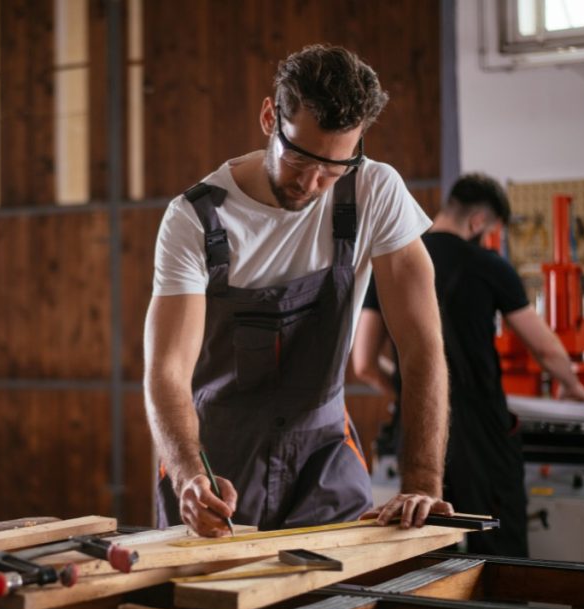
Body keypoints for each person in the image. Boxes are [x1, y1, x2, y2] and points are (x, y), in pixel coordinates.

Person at [143, 44, 453, 538]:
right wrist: (188, 474)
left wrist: (422, 482)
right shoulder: (196, 219)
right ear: (270, 117)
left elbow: (421, 347)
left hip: (323, 458)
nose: (311, 183)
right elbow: (166, 372)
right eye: (300, 158)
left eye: (334, 168)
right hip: (217, 463)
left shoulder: (375, 191)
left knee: (342, 603)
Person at [353, 173, 584, 556]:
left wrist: (410, 395)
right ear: (478, 223)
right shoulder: (488, 265)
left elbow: (364, 361)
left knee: (426, 549)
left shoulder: (392, 261)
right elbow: (546, 349)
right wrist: (572, 386)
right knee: (499, 553)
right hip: (482, 435)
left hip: (418, 434)